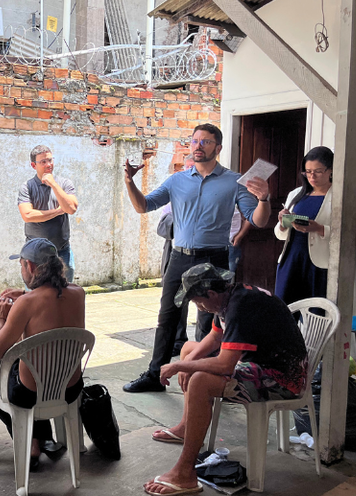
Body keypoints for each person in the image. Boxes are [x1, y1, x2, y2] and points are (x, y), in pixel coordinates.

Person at [123, 124, 271, 393]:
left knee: (210, 319)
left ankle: (203, 379)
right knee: (168, 316)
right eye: (195, 141)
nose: (198, 146)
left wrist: (264, 199)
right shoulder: (177, 180)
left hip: (214, 259)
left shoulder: (234, 182)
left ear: (218, 148)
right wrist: (130, 182)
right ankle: (155, 375)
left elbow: (258, 221)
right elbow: (143, 206)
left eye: (206, 141)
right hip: (180, 257)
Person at [144, 263, 308, 496]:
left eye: (198, 302)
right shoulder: (228, 297)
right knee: (189, 349)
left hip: (282, 379)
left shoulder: (241, 306)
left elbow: (224, 365)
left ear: (211, 294)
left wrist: (180, 366)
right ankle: (186, 427)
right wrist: (187, 360)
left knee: (200, 381)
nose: (199, 308)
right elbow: (214, 337)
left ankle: (185, 473)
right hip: (259, 364)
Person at [0, 238, 86, 469]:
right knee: (29, 369)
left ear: (29, 266)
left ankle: (31, 442)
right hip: (70, 389)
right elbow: (53, 297)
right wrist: (24, 292)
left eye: (21, 265)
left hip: (30, 395)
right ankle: (41, 437)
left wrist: (0, 317)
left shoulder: (26, 303)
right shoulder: (78, 293)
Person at [274, 146, 356, 305]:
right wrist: (283, 223)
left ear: (331, 170)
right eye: (308, 172)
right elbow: (280, 234)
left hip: (320, 265)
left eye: (318, 171)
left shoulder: (343, 197)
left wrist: (320, 229)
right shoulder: (295, 194)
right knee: (284, 310)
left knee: (316, 313)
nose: (312, 176)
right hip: (291, 260)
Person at [18, 145, 79, 282]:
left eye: (50, 160)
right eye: (43, 162)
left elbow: (71, 208)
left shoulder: (64, 183)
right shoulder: (27, 187)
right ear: (33, 165)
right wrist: (58, 211)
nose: (48, 164)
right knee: (35, 293)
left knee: (64, 291)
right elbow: (27, 215)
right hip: (35, 254)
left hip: (61, 251)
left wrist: (54, 184)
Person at [158, 156, 196, 356]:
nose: (189, 172)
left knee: (207, 301)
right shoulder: (175, 193)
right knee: (175, 300)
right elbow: (162, 226)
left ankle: (206, 344)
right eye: (186, 168)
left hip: (204, 253)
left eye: (193, 168)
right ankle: (177, 341)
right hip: (175, 252)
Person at [228, 207, 251, 273]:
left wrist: (239, 236)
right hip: (208, 243)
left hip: (230, 243)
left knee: (228, 275)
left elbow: (250, 216)